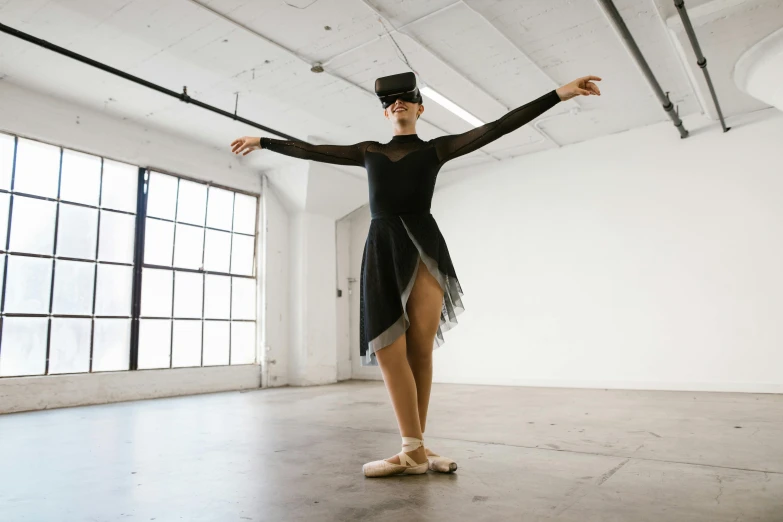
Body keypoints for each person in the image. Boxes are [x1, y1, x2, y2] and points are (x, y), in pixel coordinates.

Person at [231, 74, 601, 477]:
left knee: (419, 351)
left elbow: (498, 127)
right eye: (388, 102)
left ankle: (413, 451)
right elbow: (311, 150)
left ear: (420, 108)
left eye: (405, 98)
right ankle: (416, 450)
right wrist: (264, 141)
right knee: (389, 349)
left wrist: (559, 94)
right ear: (386, 112)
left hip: (424, 245)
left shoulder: (436, 150)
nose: (396, 104)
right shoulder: (368, 151)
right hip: (383, 247)